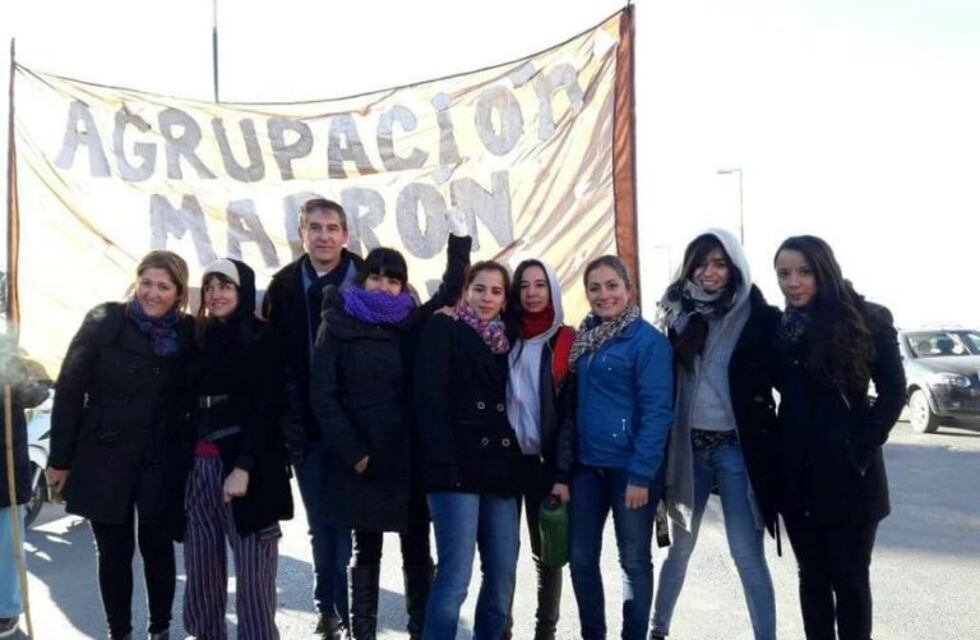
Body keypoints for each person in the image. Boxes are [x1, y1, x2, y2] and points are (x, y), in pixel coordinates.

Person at [310, 220, 470, 640]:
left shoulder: (411, 322)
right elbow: (323, 396)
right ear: (363, 280)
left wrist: (458, 242)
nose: (383, 286)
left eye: (393, 280)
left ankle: (419, 629)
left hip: (409, 455)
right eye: (376, 277)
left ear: (403, 286)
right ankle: (361, 632)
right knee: (366, 550)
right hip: (363, 456)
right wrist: (353, 452)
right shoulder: (338, 320)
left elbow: (451, 291)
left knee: (417, 547)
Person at [48, 250, 193, 640]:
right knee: (113, 554)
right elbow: (69, 388)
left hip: (160, 459)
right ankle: (119, 633)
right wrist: (59, 459)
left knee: (158, 550)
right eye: (146, 282)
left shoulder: (188, 332)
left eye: (163, 286)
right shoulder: (105, 320)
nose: (152, 292)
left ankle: (159, 628)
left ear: (178, 292)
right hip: (102, 454)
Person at [771, 235, 905, 640]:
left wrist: (858, 451)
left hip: (851, 480)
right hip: (799, 479)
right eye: (784, 274)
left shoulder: (867, 318)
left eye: (803, 272)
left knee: (849, 581)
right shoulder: (780, 329)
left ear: (823, 270)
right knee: (811, 577)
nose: (793, 282)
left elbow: (894, 392)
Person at [650, 230, 779, 640]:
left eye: (720, 263)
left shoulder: (758, 316)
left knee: (747, 553)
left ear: (735, 267)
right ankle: (657, 630)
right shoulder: (674, 313)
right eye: (702, 263)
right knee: (680, 549)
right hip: (689, 449)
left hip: (737, 449)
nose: (709, 272)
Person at [553, 254, 673, 640]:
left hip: (630, 471)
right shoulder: (585, 338)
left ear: (628, 290)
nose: (603, 295)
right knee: (581, 558)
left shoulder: (647, 341)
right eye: (594, 287)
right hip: (587, 467)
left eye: (611, 286)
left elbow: (658, 412)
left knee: (634, 562)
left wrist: (642, 474)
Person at [262, 198, 362, 639]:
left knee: (357, 523)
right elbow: (275, 363)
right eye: (315, 227)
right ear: (301, 233)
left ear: (345, 234)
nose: (323, 235)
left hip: (360, 425)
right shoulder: (282, 286)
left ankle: (360, 610)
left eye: (332, 227)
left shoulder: (367, 278)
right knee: (323, 521)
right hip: (306, 428)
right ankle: (331, 609)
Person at [179, 258, 294, 640]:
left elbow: (268, 408)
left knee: (254, 581)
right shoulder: (199, 336)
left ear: (242, 291)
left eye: (225, 286)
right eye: (210, 287)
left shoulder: (265, 336)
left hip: (250, 472)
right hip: (200, 468)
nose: (216, 295)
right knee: (201, 574)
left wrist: (244, 466)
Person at [415, 261, 522, 640]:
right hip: (454, 468)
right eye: (479, 289)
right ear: (465, 291)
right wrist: (443, 462)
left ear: (506, 299)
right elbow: (428, 400)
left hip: (500, 469)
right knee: (455, 576)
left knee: (503, 573)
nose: (487, 298)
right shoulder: (444, 326)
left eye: (496, 291)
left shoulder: (509, 339)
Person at [501, 259, 576, 640]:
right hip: (503, 464)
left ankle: (545, 632)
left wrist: (562, 474)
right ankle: (502, 630)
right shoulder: (501, 337)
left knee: (548, 556)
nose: (532, 293)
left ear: (552, 290)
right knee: (501, 557)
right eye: (524, 286)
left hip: (546, 466)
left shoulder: (566, 340)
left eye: (540, 285)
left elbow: (570, 417)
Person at [0, 345, 49, 638]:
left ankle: (6, 610)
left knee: (7, 546)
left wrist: (16, 380)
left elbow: (37, 394)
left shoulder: (7, 355)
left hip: (3, 472)